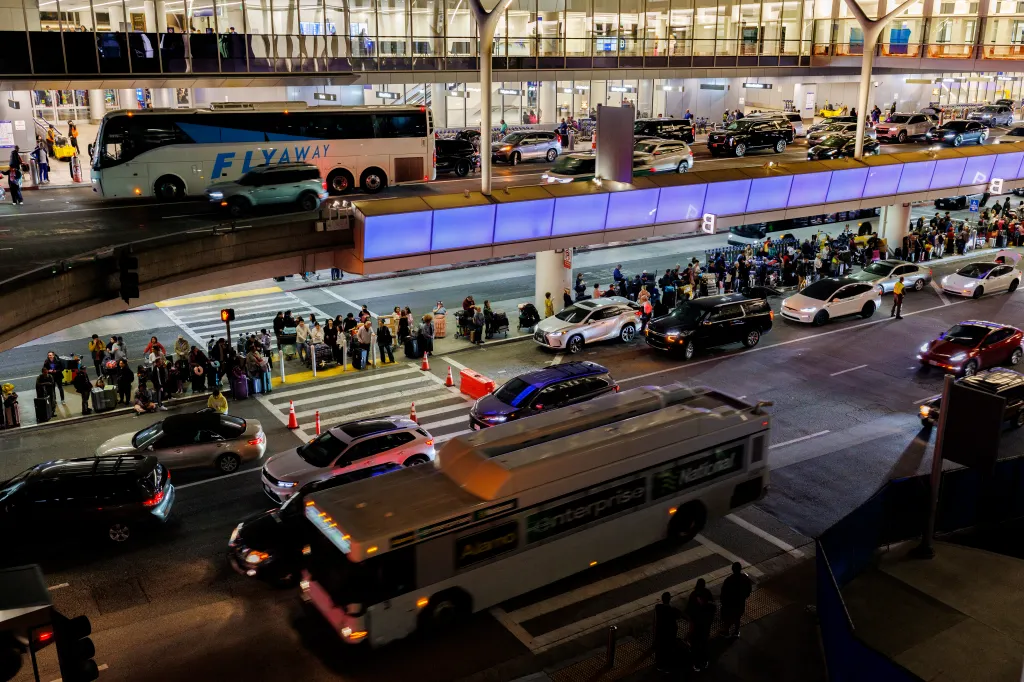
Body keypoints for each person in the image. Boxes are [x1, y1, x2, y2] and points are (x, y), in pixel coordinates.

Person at [686, 578, 716, 672]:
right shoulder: (707, 593)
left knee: (696, 644)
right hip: (705, 625)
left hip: (696, 624)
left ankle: (696, 663)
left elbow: (689, 609)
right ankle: (704, 661)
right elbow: (713, 607)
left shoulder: (693, 594)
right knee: (704, 643)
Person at [720, 562, 754, 638]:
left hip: (730, 603)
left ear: (732, 569)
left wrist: (723, 602)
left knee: (728, 618)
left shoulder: (729, 580)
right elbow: (749, 590)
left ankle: (726, 632)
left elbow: (724, 592)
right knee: (737, 617)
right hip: (740, 602)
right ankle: (736, 632)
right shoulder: (745, 578)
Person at [653, 592, 682, 673]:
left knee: (660, 649)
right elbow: (679, 615)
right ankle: (666, 666)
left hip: (660, 633)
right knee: (668, 650)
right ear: (669, 600)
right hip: (669, 634)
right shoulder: (673, 610)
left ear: (662, 599)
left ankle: (659, 665)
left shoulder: (658, 607)